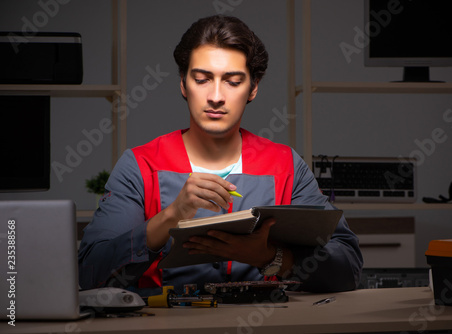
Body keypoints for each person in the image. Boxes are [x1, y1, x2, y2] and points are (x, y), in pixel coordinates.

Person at [78, 15, 363, 295]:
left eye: (233, 81)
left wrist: (268, 256)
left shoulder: (286, 166)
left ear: (252, 88)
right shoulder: (140, 166)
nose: (216, 96)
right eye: (202, 79)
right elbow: (92, 273)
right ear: (183, 84)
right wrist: (170, 217)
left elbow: (347, 268)